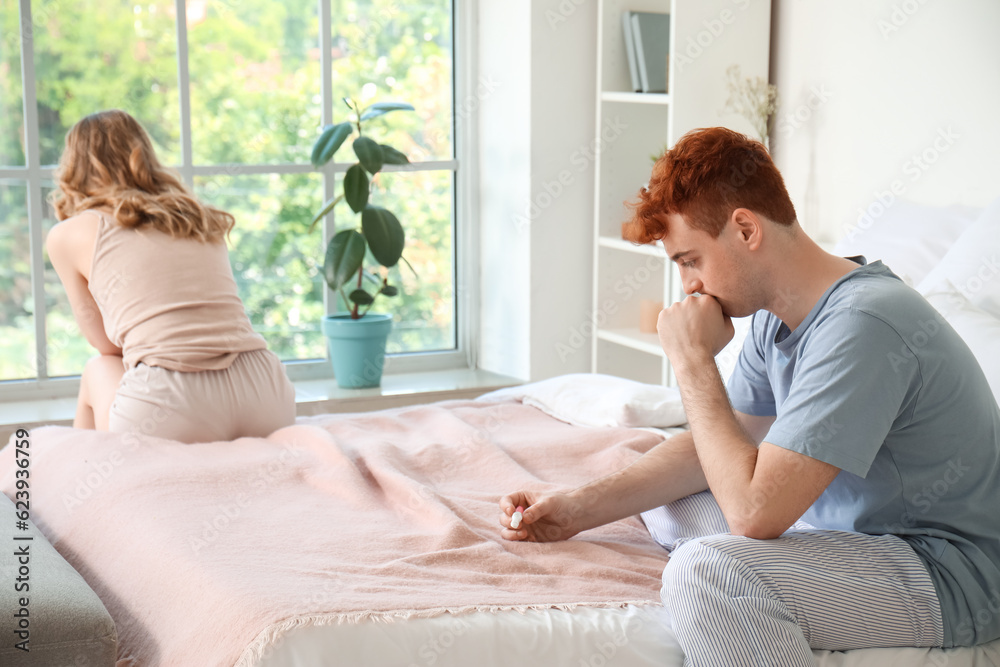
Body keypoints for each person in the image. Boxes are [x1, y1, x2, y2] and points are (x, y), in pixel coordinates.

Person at [499, 127, 1000, 664]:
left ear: (744, 228)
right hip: (845, 533)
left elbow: (754, 516)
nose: (689, 286)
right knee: (670, 501)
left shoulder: (865, 324)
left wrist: (693, 363)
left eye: (691, 260)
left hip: (947, 572)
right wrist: (576, 508)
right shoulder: (775, 318)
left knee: (708, 572)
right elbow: (714, 445)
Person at [47, 109, 295, 444]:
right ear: (145, 155)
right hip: (266, 393)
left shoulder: (68, 235)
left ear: (74, 169)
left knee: (97, 370)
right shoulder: (195, 216)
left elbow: (104, 345)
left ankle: (81, 479)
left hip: (170, 406)